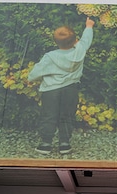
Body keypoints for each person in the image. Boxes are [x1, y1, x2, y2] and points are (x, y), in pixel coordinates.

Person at [28, 17, 95, 155]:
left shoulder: (50, 56)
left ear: (55, 41)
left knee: (48, 115)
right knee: (67, 116)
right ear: (75, 40)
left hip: (50, 91)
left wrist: (31, 78)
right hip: (70, 89)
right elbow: (86, 40)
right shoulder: (79, 51)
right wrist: (89, 26)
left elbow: (36, 73)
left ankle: (45, 144)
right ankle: (64, 144)